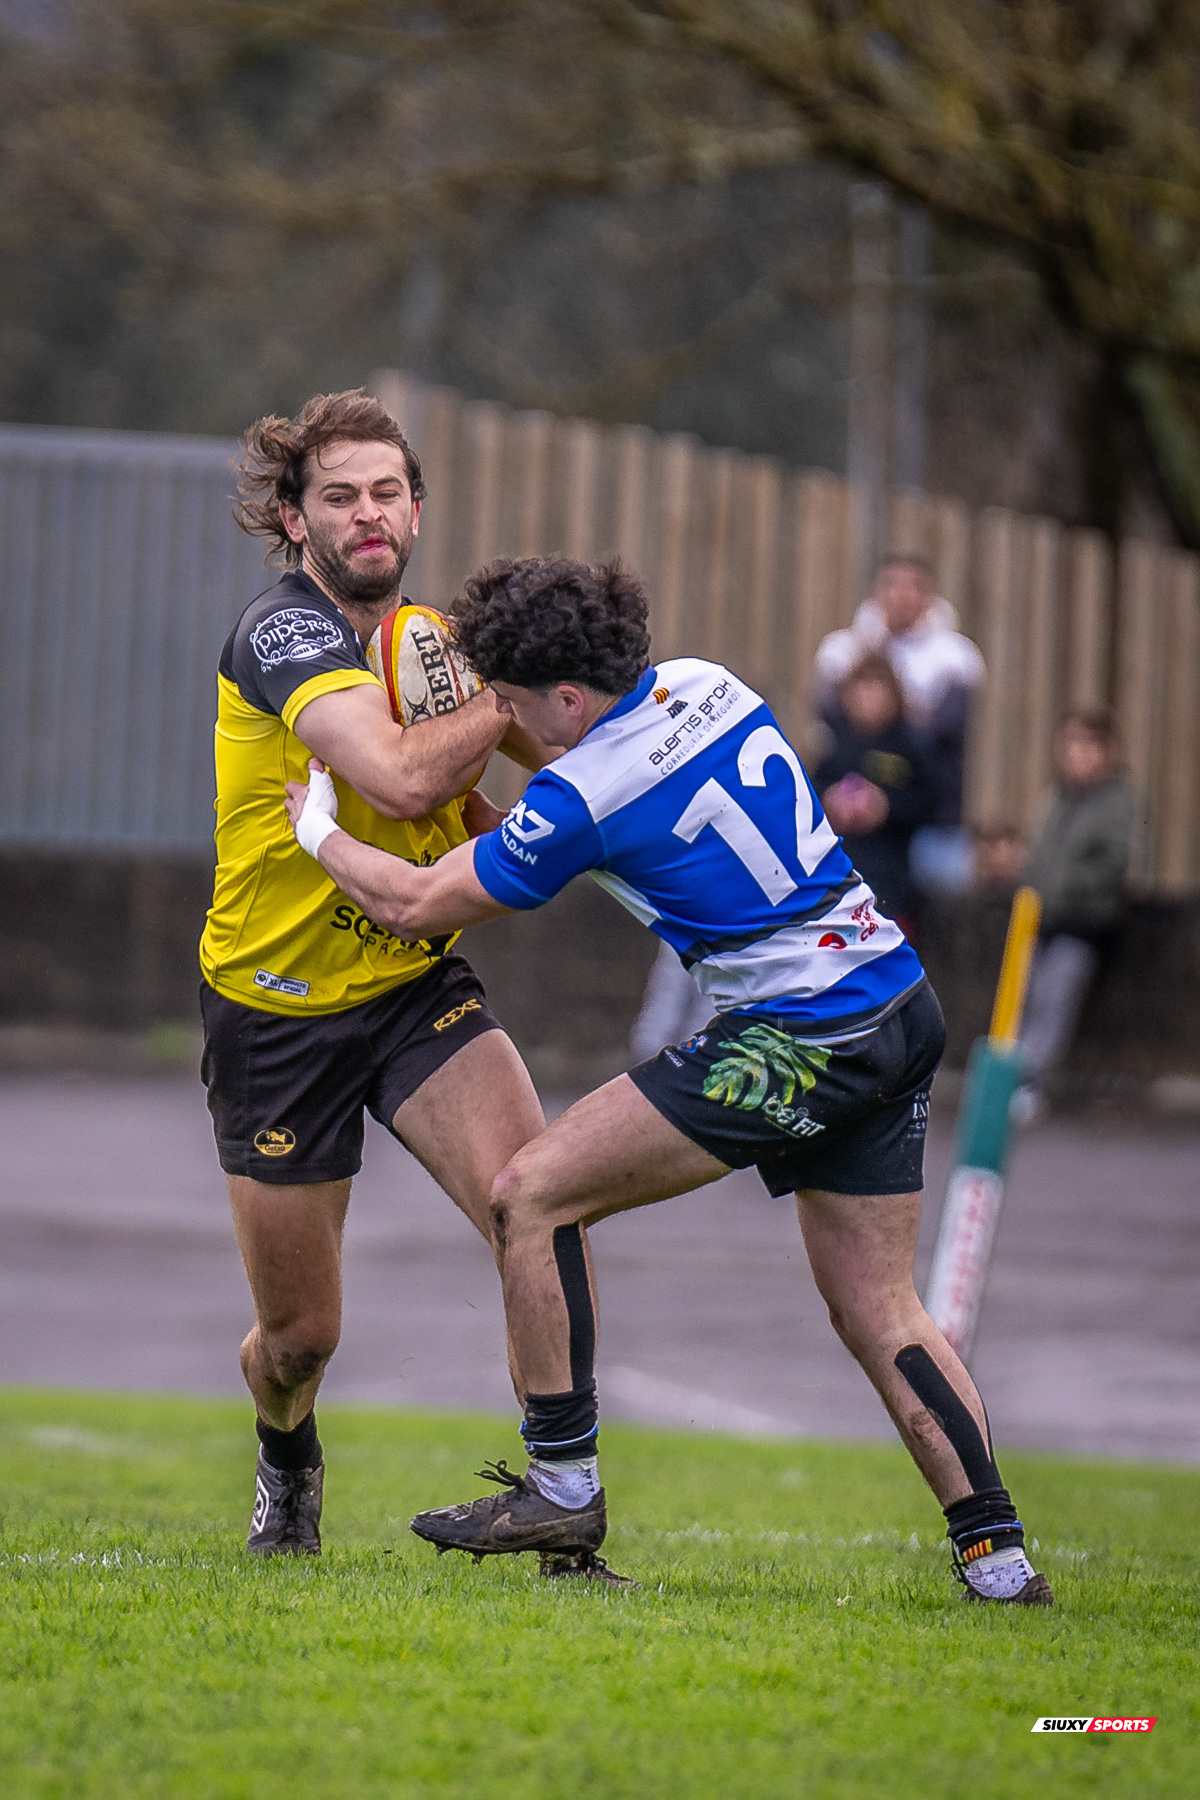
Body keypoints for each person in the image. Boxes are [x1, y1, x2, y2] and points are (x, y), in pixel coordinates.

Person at [285, 555, 1053, 1605]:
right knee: (883, 1310)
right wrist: (491, 778)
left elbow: (417, 903)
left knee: (531, 1195)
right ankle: (1000, 1562)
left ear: (566, 697)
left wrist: (319, 831)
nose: (503, 719)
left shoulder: (583, 793)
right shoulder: (707, 682)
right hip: (894, 1000)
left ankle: (562, 1486)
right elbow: (592, 812)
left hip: (799, 1035)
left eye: (510, 702)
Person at [200, 389, 547, 1557]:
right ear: (295, 521)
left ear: (416, 511)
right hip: (276, 1008)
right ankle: (287, 1452)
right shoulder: (281, 634)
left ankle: (566, 1497)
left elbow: (565, 753)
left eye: (387, 493)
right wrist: (502, 697)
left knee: (536, 1203)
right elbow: (400, 778)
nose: (368, 515)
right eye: (339, 496)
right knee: (301, 1337)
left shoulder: (438, 647)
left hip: (412, 986)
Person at [815, 555, 984, 893]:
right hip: (856, 830)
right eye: (892, 585)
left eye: (913, 586)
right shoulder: (842, 649)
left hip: (934, 819)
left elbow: (939, 732)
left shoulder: (955, 658)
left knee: (940, 909)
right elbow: (832, 719)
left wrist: (884, 802)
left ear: (930, 596)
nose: (902, 595)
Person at [1014, 709, 1136, 1121]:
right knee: (1025, 994)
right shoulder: (1057, 798)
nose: (1078, 754)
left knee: (1054, 997)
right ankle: (1011, 1072)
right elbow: (1040, 856)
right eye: (1072, 744)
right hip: (1041, 918)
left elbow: (1115, 863)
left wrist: (1065, 887)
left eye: (1089, 745)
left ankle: (1030, 1080)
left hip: (1084, 922)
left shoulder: (1118, 801)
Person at [814, 654, 937, 938]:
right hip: (840, 873)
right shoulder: (835, 744)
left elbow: (929, 801)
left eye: (876, 688)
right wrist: (830, 801)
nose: (868, 698)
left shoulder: (910, 745)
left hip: (892, 878)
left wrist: (885, 807)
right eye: (862, 688)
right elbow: (811, 791)